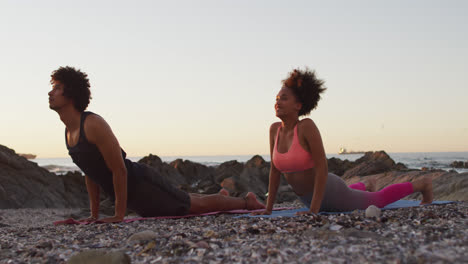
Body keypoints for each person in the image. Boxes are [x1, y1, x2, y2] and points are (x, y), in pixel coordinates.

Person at [48, 66, 265, 223]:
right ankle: (221, 198)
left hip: (142, 185)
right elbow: (91, 174)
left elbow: (119, 170)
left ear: (72, 93)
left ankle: (247, 201)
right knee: (187, 200)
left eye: (57, 87)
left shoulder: (93, 124)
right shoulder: (69, 132)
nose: (50, 92)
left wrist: (118, 215)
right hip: (135, 195)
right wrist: (93, 215)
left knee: (192, 206)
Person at [252, 68, 433, 217]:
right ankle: (365, 185)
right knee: (358, 193)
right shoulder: (274, 129)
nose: (277, 102)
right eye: (276, 99)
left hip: (332, 193)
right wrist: (268, 209)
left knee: (378, 199)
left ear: (298, 105)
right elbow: (275, 171)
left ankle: (422, 184)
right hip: (308, 198)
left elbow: (322, 167)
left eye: (284, 98)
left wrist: (313, 211)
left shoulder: (306, 126)